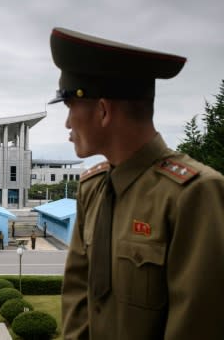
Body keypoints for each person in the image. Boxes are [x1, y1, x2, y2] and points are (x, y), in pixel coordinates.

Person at [48, 27, 224, 339]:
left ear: (102, 111)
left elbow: (196, 323)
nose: (66, 123)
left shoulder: (193, 193)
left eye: (70, 107)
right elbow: (78, 296)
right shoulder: (93, 188)